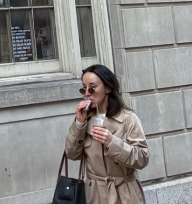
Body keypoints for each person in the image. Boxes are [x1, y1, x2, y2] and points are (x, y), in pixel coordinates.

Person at [64, 64, 149, 204]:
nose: (87, 93)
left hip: (124, 194)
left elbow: (143, 158)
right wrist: (79, 123)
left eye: (92, 88)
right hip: (94, 194)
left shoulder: (128, 118)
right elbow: (71, 154)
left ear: (108, 88)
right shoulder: (86, 119)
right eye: (83, 88)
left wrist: (112, 143)